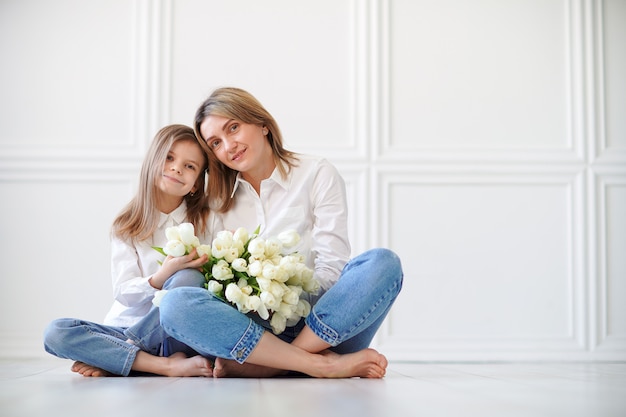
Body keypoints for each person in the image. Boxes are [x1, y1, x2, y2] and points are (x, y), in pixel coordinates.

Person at [155, 87, 404, 378]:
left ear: (262, 124)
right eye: (216, 143)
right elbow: (211, 283)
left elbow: (332, 267)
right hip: (252, 329)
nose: (229, 146)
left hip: (323, 324)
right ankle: (317, 364)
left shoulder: (316, 173)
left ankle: (276, 365)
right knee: (175, 300)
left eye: (233, 128)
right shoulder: (216, 201)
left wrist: (287, 298)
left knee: (382, 263)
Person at [43, 124, 219, 377]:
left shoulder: (207, 222)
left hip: (178, 334)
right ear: (152, 163)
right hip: (126, 327)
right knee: (56, 332)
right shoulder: (126, 225)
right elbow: (124, 293)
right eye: (169, 158)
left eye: (190, 166)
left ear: (195, 185)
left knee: (188, 278)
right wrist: (159, 278)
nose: (177, 167)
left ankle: (120, 356)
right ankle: (160, 365)